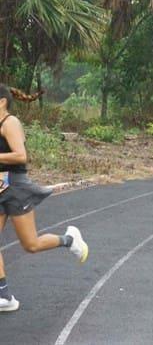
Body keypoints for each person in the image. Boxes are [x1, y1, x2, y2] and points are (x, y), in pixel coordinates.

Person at [0, 84, 88, 312]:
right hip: (0, 187)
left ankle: (69, 240)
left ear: (2, 102)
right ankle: (5, 295)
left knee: (31, 244)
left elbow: (21, 155)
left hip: (16, 187)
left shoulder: (10, 123)